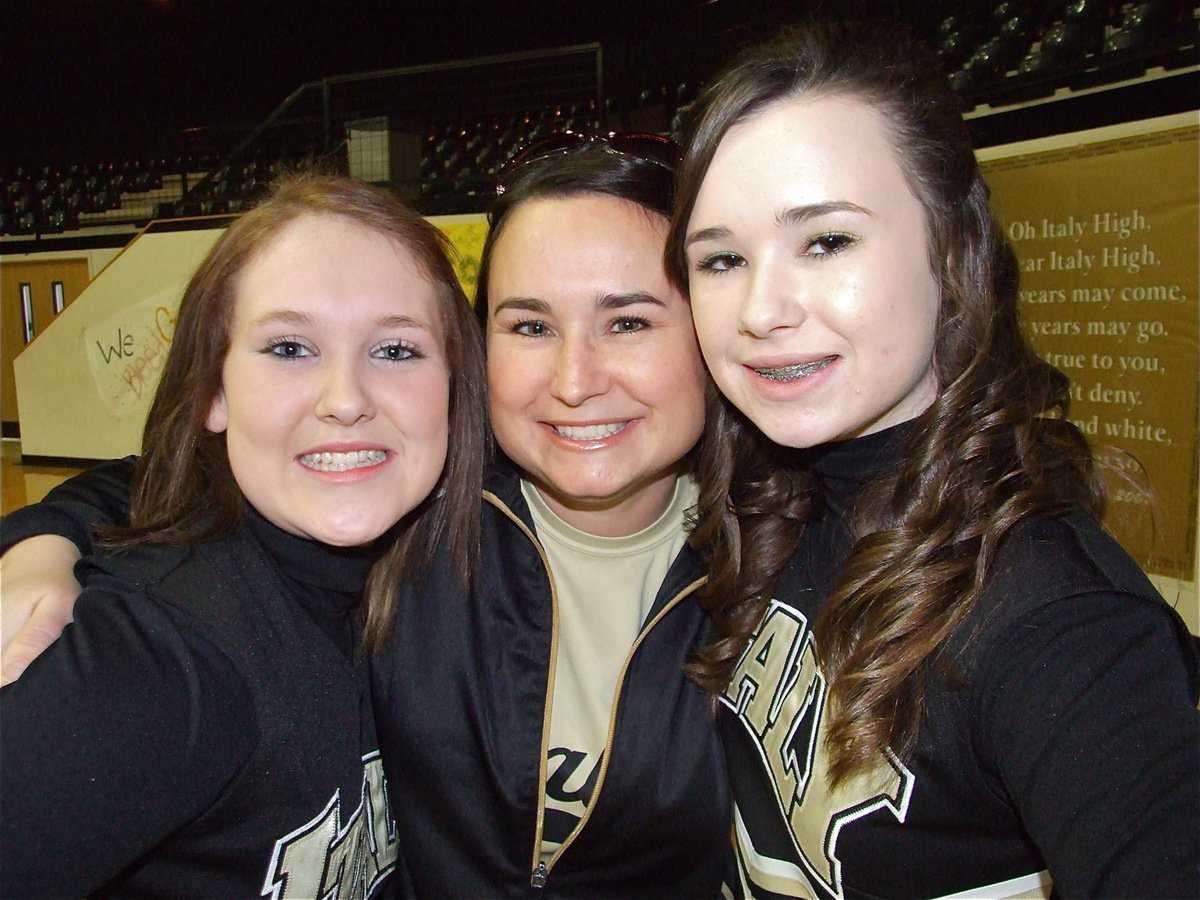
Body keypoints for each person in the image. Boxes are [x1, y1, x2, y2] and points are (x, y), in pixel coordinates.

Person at [1, 137, 732, 894]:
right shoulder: (409, 527)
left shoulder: (775, 551)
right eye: (531, 326)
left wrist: (43, 535)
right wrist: (43, 540)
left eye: (629, 323)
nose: (574, 380)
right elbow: (171, 495)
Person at [663, 18, 1200, 899]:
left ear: (951, 250)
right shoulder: (770, 506)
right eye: (721, 259)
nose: (760, 308)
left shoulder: (1052, 616)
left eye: (826, 241)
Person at [0, 173, 488, 897]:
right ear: (213, 394)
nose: (346, 401)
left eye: (395, 351)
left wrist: (44, 534)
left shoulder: (421, 566)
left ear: (454, 389)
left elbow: (144, 478)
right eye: (290, 348)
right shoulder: (164, 661)